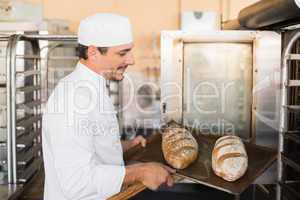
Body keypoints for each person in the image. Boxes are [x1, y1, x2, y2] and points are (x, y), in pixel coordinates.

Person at [42, 13, 174, 200]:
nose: (131, 60)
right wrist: (141, 172)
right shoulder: (73, 99)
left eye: (130, 51)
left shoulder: (92, 88)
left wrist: (123, 146)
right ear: (93, 52)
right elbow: (77, 182)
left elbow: (87, 144)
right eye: (122, 53)